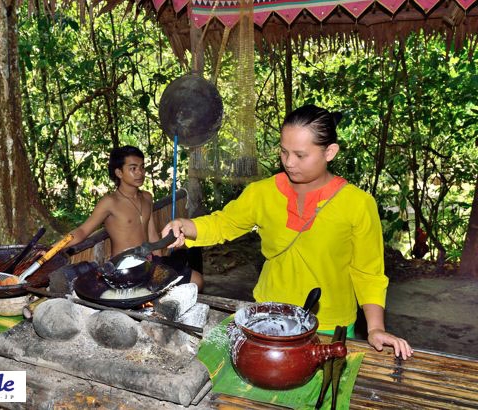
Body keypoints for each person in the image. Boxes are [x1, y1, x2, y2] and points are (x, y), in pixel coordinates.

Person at [161, 104, 413, 359]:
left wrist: (376, 328)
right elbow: (224, 223)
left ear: (330, 152)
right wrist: (187, 226)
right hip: (268, 316)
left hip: (329, 323)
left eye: (300, 155)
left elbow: (368, 272)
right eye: (283, 152)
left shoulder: (357, 204)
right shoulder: (263, 193)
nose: (289, 163)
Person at [66, 145, 204, 290]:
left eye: (142, 167)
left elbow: (151, 234)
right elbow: (82, 231)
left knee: (197, 280)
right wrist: (54, 249)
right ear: (119, 172)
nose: (140, 173)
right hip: (123, 268)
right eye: (133, 168)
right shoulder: (110, 202)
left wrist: (159, 263)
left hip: (149, 262)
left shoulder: (147, 197)